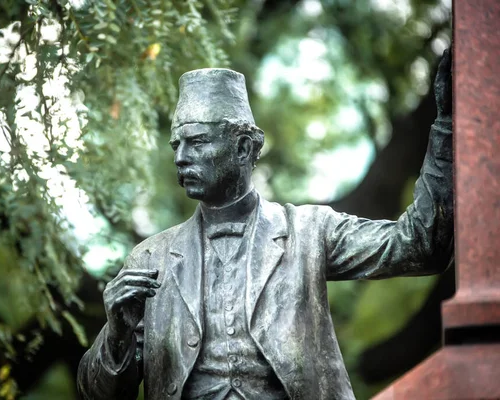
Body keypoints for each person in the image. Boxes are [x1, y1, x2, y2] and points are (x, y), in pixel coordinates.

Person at [77, 49, 453, 400]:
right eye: (176, 144)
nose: (180, 157)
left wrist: (448, 128)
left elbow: (421, 246)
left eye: (197, 142)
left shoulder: (309, 232)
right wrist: (117, 335)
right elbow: (97, 394)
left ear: (243, 148)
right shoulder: (150, 258)